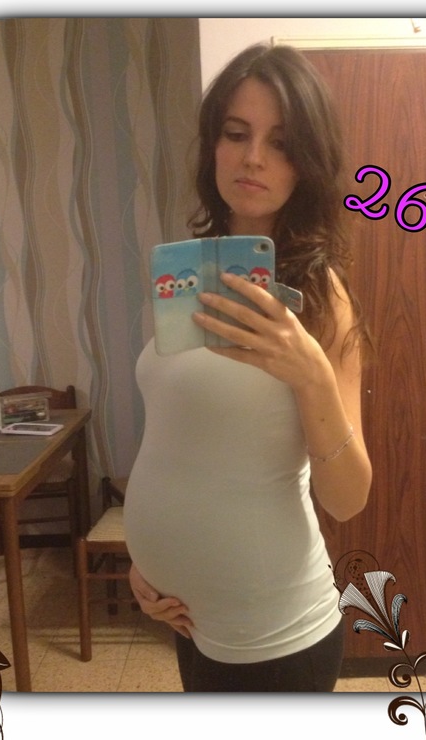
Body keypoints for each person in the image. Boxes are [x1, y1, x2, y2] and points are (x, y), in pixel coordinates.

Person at [124, 43, 372, 692]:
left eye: (280, 143)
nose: (253, 157)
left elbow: (348, 498)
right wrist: (146, 562)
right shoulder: (188, 273)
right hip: (188, 618)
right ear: (213, 146)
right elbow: (177, 435)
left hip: (276, 630)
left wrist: (311, 374)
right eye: (236, 134)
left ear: (307, 164)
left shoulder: (319, 296)